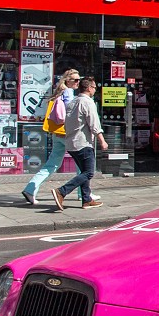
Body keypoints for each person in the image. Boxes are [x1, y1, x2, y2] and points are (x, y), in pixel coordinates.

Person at [21, 70, 91, 205]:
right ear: (68, 81)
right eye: (75, 80)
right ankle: (83, 195)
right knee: (82, 165)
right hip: (67, 134)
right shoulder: (69, 93)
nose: (78, 82)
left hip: (57, 133)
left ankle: (30, 189)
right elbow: (71, 114)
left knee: (52, 164)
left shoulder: (58, 92)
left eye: (79, 79)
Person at [52, 77, 107, 211]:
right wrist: (102, 141)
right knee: (89, 173)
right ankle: (62, 191)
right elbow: (94, 125)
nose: (95, 90)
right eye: (94, 87)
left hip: (71, 143)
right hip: (83, 143)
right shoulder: (88, 102)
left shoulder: (72, 102)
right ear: (89, 88)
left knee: (84, 172)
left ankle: (86, 200)